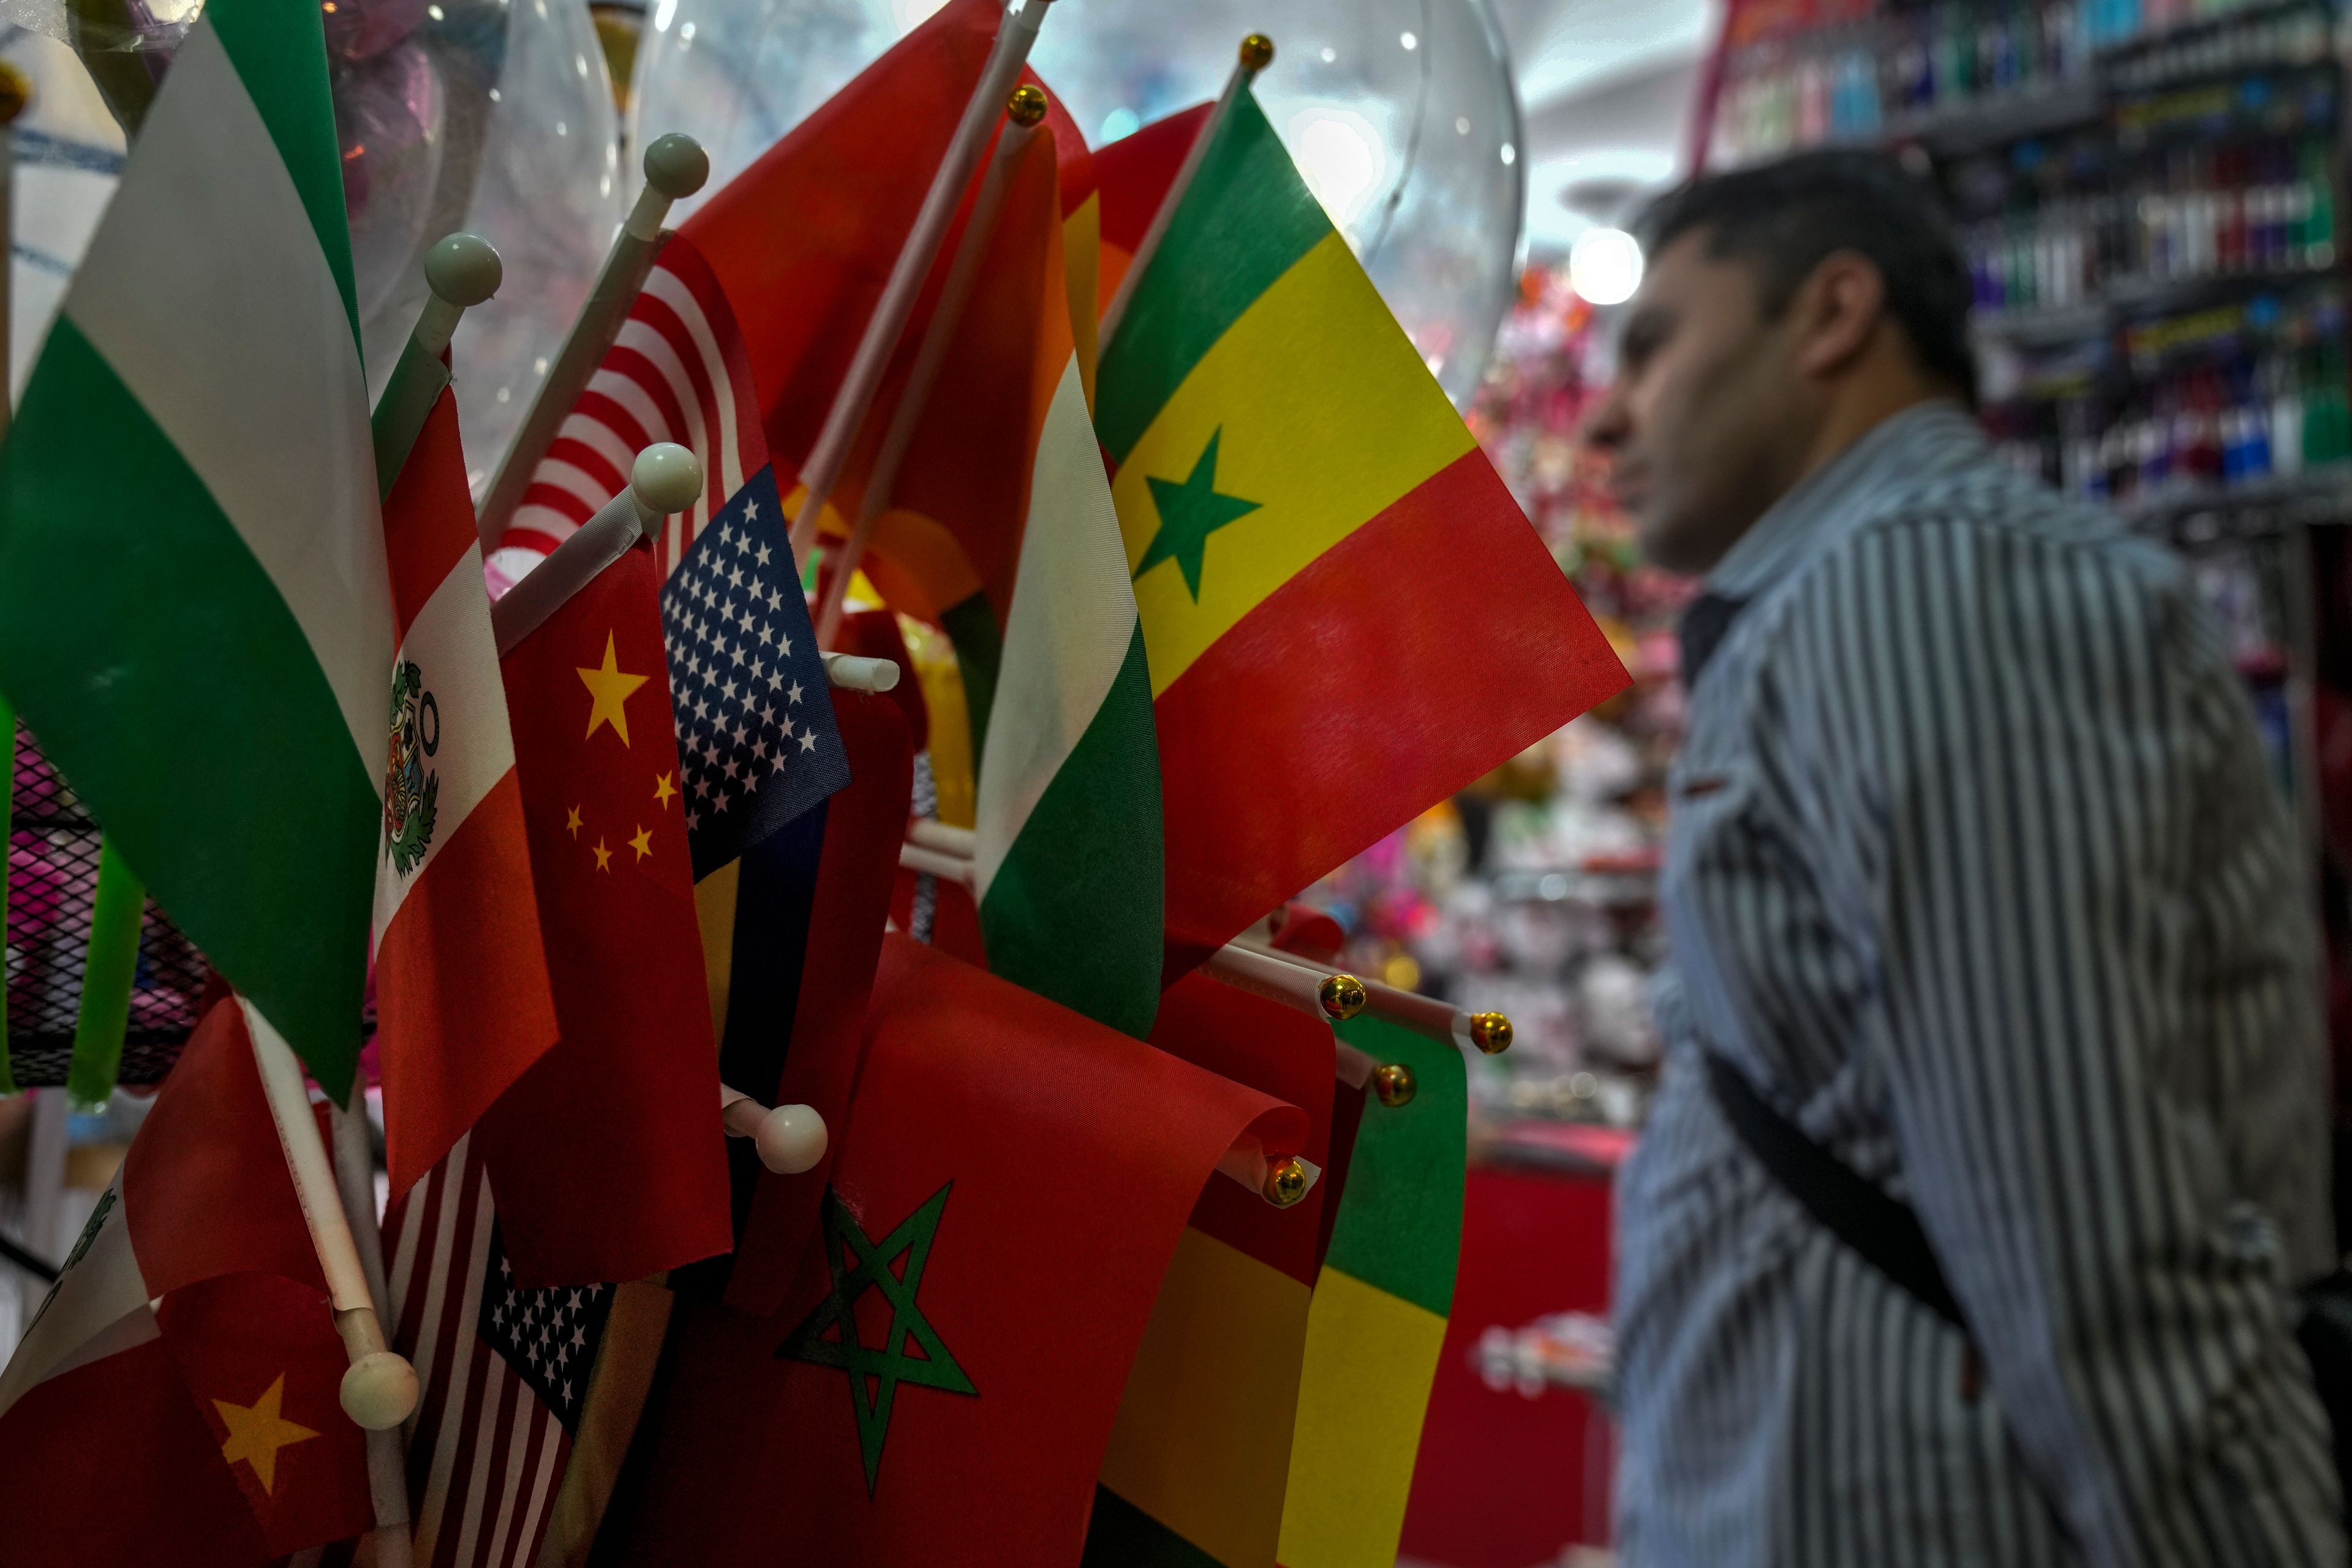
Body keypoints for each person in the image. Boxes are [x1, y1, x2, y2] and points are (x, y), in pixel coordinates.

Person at [1583, 148, 2343, 1566]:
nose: (1605, 421)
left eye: (1651, 345)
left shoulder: (1926, 582)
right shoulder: (1858, 594)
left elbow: (2090, 1230)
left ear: (1831, 314)